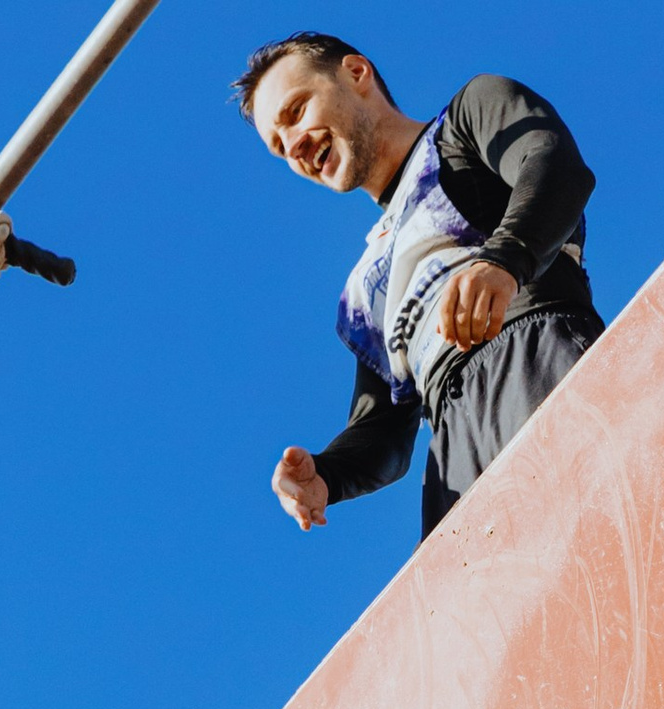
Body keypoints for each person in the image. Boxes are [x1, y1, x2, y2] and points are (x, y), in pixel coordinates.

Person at [239, 34, 602, 546]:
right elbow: (382, 430)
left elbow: (555, 167)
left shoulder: (466, 119)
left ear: (356, 73)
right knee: (494, 612)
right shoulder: (365, 287)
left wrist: (503, 258)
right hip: (452, 445)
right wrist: (328, 474)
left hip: (529, 354)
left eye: (296, 111)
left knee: (599, 535)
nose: (294, 145)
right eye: (279, 146)